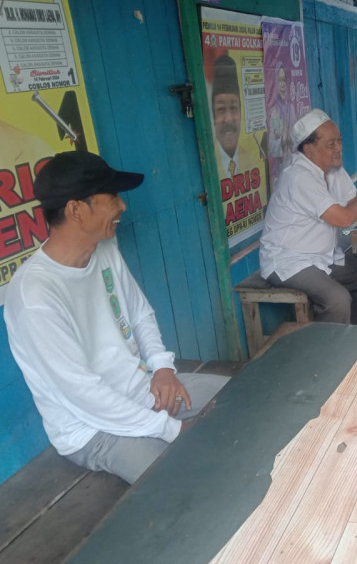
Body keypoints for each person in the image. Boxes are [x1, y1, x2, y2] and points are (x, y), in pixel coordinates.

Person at [4, 151, 229, 484]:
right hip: (93, 428)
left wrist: (163, 369)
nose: (122, 206)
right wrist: (172, 429)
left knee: (244, 400)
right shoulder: (34, 295)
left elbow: (139, 313)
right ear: (76, 209)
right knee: (185, 484)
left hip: (143, 390)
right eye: (112, 197)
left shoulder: (104, 248)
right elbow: (85, 395)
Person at [259, 109, 357, 324]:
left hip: (320, 257)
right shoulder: (298, 176)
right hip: (288, 261)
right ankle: (328, 352)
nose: (339, 148)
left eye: (339, 141)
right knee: (337, 300)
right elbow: (345, 218)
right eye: (331, 144)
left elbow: (355, 205)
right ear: (309, 149)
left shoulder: (331, 168)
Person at [211, 54, 262, 179]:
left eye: (234, 108)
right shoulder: (209, 162)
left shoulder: (251, 161)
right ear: (213, 116)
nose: (228, 119)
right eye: (221, 109)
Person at [267, 62, 297, 182]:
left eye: (284, 80)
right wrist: (282, 138)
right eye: (279, 80)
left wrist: (287, 135)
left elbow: (297, 139)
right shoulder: (274, 111)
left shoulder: (291, 108)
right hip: (280, 172)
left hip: (295, 168)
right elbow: (272, 148)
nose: (283, 84)